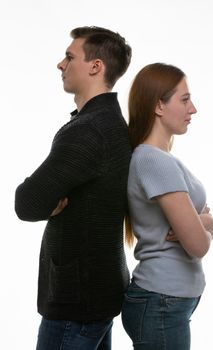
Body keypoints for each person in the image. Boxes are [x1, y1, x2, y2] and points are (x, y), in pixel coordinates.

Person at [15, 26, 132, 350]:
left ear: (96, 67)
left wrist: (47, 201)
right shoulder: (107, 121)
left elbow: (27, 202)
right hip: (94, 294)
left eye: (69, 56)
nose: (60, 64)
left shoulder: (89, 130)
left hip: (76, 302)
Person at [121, 63, 213, 350]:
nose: (193, 109)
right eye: (184, 100)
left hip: (166, 301)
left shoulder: (158, 158)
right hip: (161, 301)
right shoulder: (154, 161)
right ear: (158, 106)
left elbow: (200, 232)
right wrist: (208, 224)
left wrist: (207, 224)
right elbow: (198, 246)